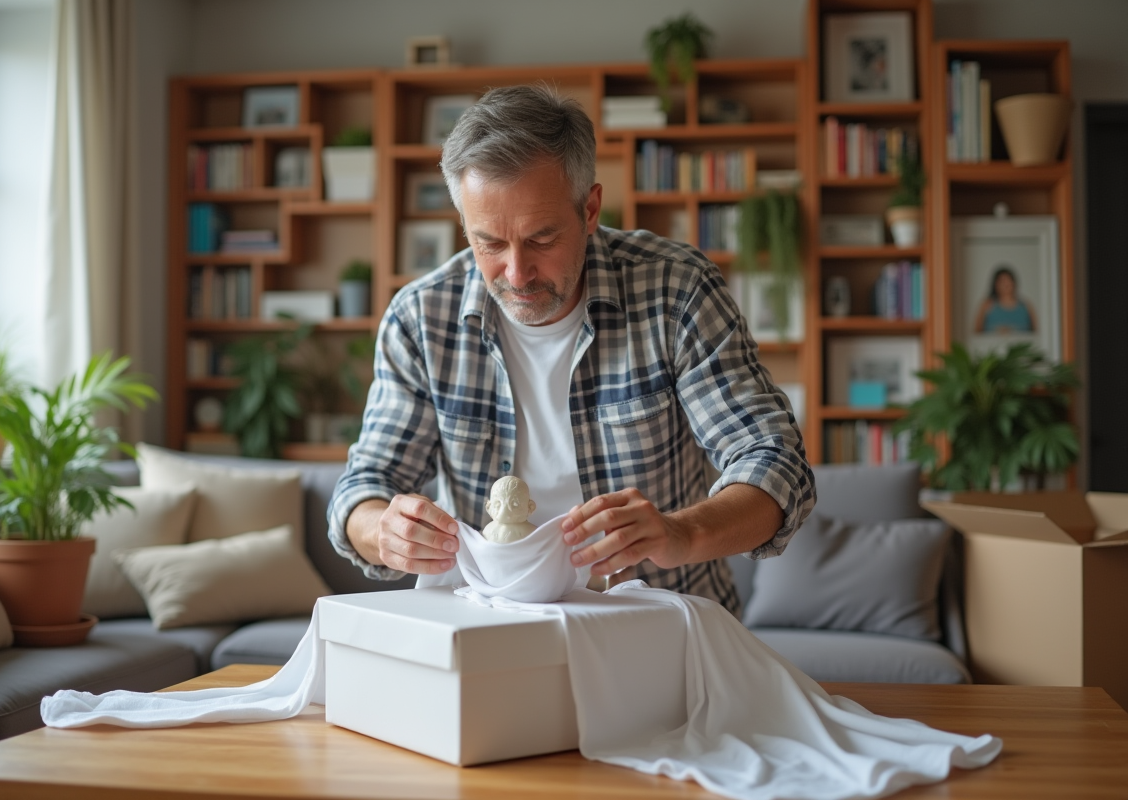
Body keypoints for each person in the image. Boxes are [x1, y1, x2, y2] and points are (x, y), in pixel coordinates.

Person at [327, 85, 815, 616]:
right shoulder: (419, 318)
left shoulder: (677, 290)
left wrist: (680, 532)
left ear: (590, 209)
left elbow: (774, 462)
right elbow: (364, 487)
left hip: (661, 622)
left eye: (541, 238)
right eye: (488, 242)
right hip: (486, 627)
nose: (516, 274)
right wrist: (385, 530)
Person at [975, 266, 1037, 334]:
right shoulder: (987, 305)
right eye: (1001, 281)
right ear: (995, 285)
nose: (1005, 284)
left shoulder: (1025, 306)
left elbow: (1035, 331)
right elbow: (977, 331)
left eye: (1008, 281)